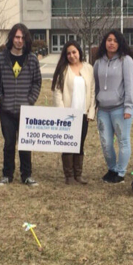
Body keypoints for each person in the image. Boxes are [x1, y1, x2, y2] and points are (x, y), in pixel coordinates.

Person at [0, 23, 42, 186]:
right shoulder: (1, 58)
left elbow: (37, 82)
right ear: (12, 38)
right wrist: (1, 98)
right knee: (8, 143)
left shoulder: (32, 59)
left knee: (25, 143)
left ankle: (26, 175)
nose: (19, 41)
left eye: (22, 38)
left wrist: (30, 100)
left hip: (25, 110)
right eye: (16, 37)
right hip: (6, 110)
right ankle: (7, 174)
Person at [93, 30, 133, 183]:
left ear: (120, 43)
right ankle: (112, 168)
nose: (111, 43)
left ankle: (121, 172)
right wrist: (95, 105)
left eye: (115, 41)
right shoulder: (98, 62)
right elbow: (96, 86)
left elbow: (130, 85)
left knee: (123, 140)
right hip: (103, 109)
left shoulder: (126, 61)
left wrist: (128, 107)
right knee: (105, 142)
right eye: (109, 40)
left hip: (120, 109)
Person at [52, 40, 96, 184]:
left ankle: (78, 174)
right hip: (68, 114)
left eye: (74, 52)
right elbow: (58, 92)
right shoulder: (63, 70)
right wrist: (61, 113)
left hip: (83, 113)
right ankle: (69, 175)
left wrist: (90, 112)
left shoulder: (89, 68)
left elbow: (92, 91)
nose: (71, 55)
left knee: (80, 143)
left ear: (79, 52)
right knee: (68, 144)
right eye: (68, 53)